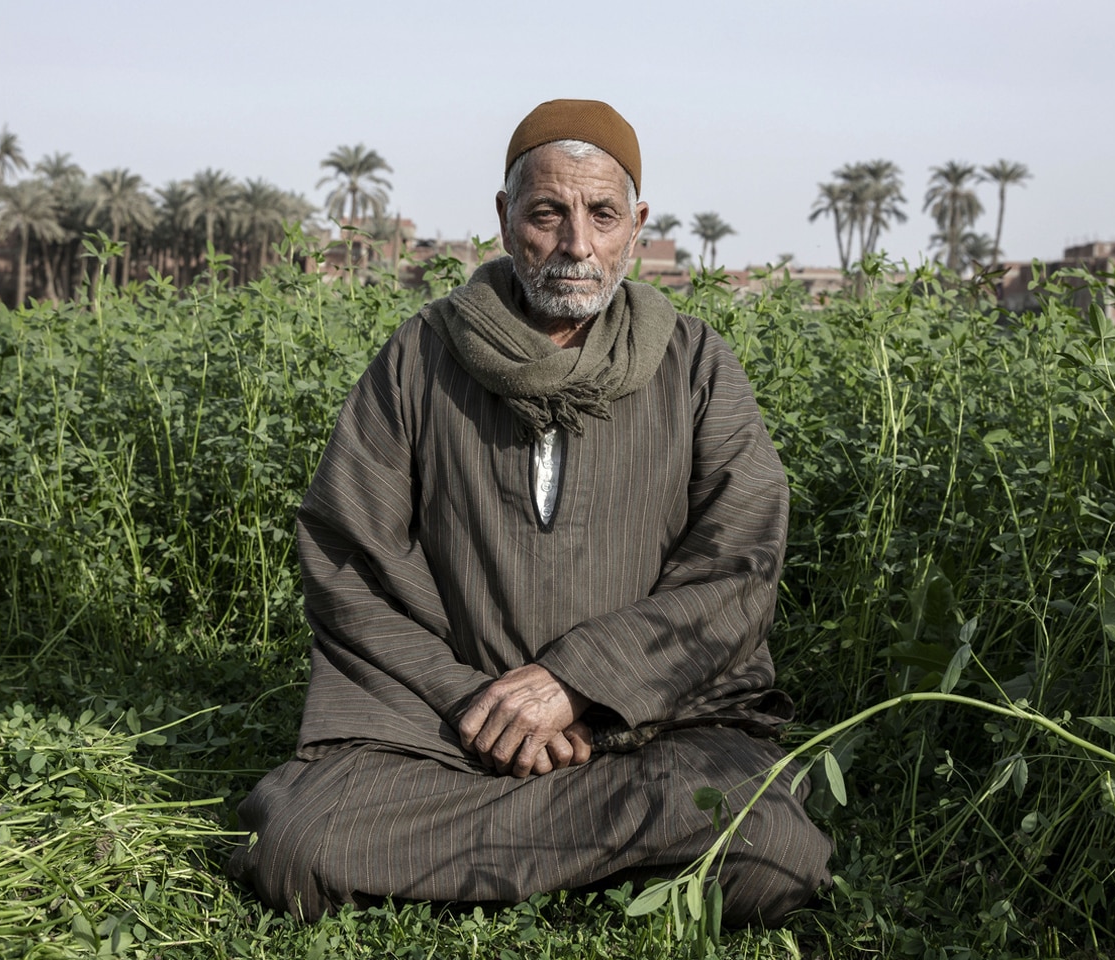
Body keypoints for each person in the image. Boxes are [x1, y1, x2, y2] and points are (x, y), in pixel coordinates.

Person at [230, 99, 830, 926]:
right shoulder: (421, 356)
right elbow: (349, 562)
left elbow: (739, 569)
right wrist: (485, 704)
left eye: (602, 214)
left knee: (775, 852)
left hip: (648, 725)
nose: (576, 244)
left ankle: (476, 859)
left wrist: (580, 684)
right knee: (297, 843)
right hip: (445, 730)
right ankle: (603, 859)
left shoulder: (696, 365)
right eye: (548, 213)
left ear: (637, 224)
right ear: (506, 219)